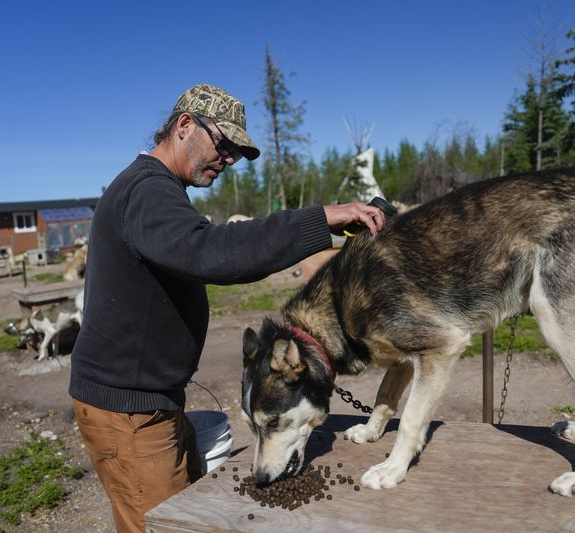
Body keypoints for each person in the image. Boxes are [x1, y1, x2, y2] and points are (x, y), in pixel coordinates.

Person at [69, 83, 386, 531]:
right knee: (165, 526)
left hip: (151, 403)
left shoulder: (156, 191)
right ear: (183, 126)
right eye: (224, 144)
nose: (230, 159)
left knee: (191, 517)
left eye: (236, 151)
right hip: (129, 413)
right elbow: (214, 251)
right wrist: (320, 219)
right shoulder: (147, 191)